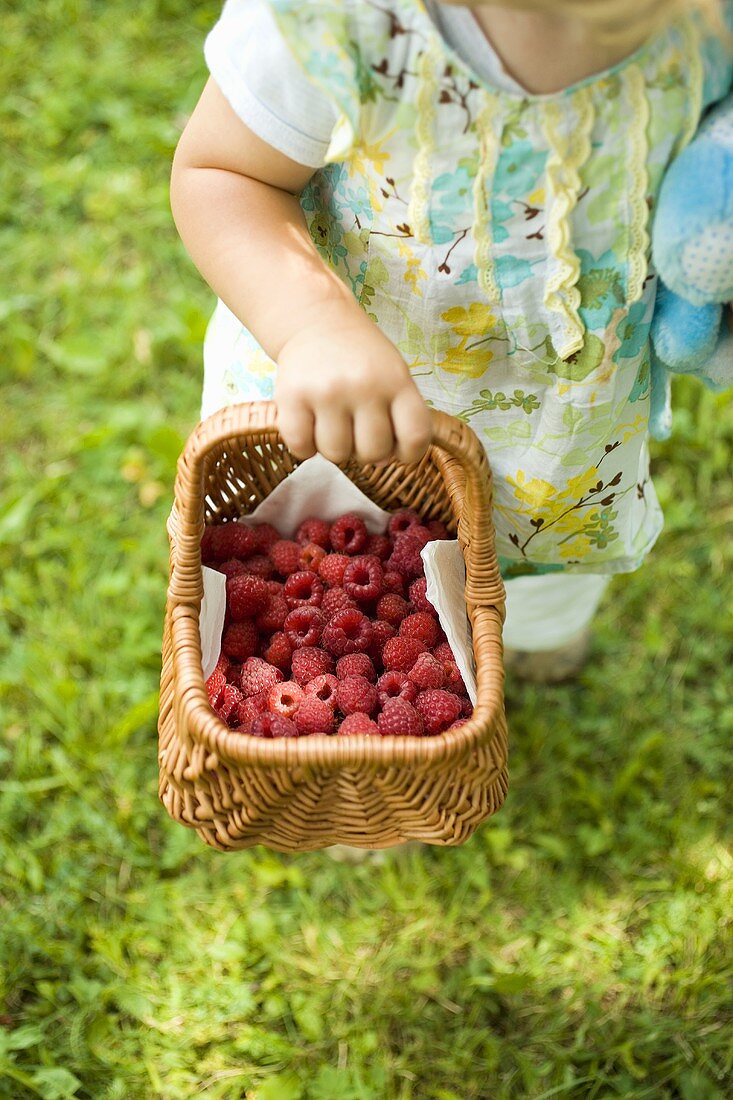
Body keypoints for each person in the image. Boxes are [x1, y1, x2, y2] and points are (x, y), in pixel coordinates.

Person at [169, 0, 731, 684]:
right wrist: (313, 324)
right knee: (342, 565)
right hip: (342, 429)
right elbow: (225, 173)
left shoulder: (707, 28)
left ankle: (533, 635)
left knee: (542, 567)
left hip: (567, 451)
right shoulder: (338, 19)